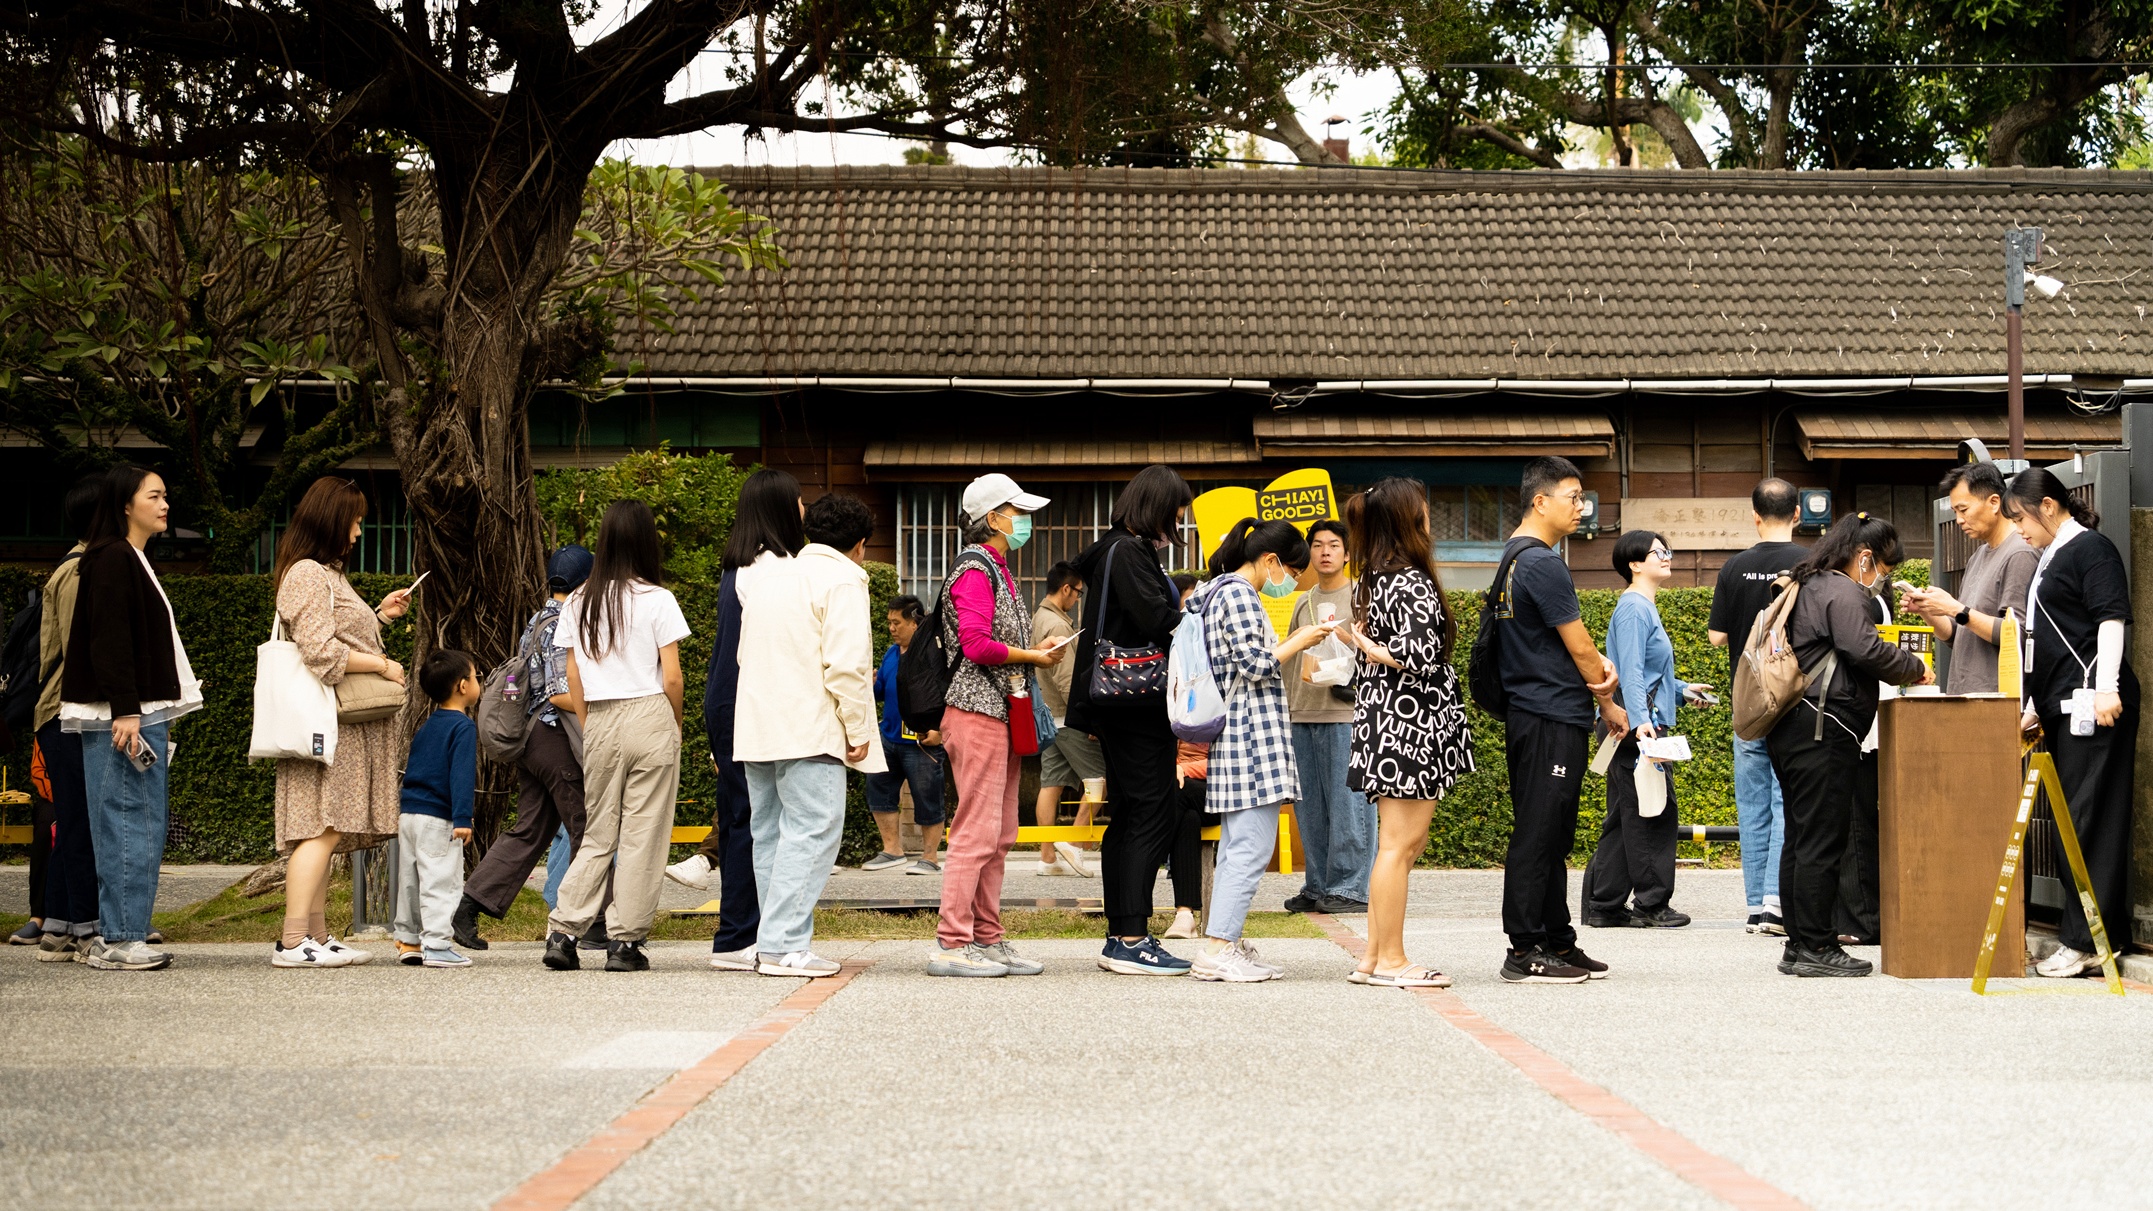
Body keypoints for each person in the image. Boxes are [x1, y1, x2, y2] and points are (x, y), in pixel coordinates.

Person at [1767, 512, 1930, 978]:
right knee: (1821, 840)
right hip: (1824, 729)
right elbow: (1865, 649)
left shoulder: (1808, 583)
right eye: (1883, 568)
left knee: (1800, 839)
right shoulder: (1842, 591)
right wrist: (1914, 668)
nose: (1883, 579)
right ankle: (1817, 946)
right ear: (1864, 559)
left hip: (1793, 726)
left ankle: (1799, 945)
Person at [58, 465, 203, 971]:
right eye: (155, 496)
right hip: (123, 715)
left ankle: (121, 934)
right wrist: (126, 708)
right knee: (127, 822)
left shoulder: (129, 556)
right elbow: (109, 637)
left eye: (166, 495)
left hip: (134, 713)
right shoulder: (114, 557)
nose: (165, 505)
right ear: (125, 504)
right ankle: (117, 937)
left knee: (136, 822)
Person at [733, 491, 884, 977]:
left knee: (770, 835)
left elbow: (743, 655)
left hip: (757, 724)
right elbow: (847, 665)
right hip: (810, 726)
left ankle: (772, 940)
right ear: (860, 544)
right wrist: (859, 728)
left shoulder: (770, 576)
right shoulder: (842, 578)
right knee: (813, 831)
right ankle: (785, 945)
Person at [1490, 457, 1624, 985]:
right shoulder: (1542, 562)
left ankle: (1557, 939)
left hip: (1532, 712)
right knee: (1540, 833)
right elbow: (1580, 644)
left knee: (1551, 832)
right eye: (1573, 496)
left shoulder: (1512, 558)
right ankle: (1524, 949)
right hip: (1549, 714)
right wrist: (1609, 698)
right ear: (1540, 501)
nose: (1582, 506)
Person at [268, 477, 411, 969]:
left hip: (339, 725)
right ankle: (292, 942)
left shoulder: (323, 573)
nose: (357, 532)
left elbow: (335, 635)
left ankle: (316, 935)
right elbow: (321, 652)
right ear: (330, 519)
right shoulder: (308, 573)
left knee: (324, 831)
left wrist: (379, 617)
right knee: (320, 830)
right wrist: (383, 666)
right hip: (328, 726)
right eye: (353, 521)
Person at [1339, 479, 1475, 987]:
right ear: (1407, 517)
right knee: (1401, 845)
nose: (1428, 516)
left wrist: (1375, 651)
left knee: (1394, 846)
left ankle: (1374, 957)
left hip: (1386, 718)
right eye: (1423, 508)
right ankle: (1391, 960)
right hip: (1410, 722)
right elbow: (1419, 653)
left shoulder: (1373, 576)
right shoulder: (1410, 579)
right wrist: (1381, 652)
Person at [926, 475, 1064, 978]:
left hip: (998, 712)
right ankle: (952, 942)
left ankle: (985, 936)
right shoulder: (975, 569)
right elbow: (977, 644)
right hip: (977, 710)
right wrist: (1036, 656)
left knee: (1001, 832)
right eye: (1015, 511)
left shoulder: (995, 567)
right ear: (993, 518)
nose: (1023, 520)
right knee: (976, 831)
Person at [545, 500, 690, 974]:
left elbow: (573, 678)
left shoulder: (580, 601)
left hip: (601, 719)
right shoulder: (657, 599)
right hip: (650, 714)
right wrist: (675, 724)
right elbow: (672, 677)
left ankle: (564, 933)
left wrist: (592, 726)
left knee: (598, 832)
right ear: (647, 541)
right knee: (643, 835)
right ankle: (624, 945)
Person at [1187, 519, 1333, 983]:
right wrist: (1301, 639)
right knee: (1250, 845)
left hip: (1235, 736)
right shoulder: (1238, 594)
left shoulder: (1215, 591)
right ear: (1271, 561)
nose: (1291, 581)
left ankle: (1224, 939)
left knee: (1237, 845)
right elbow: (1254, 664)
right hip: (1251, 737)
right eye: (1292, 570)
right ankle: (1217, 948)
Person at [668, 468, 801, 971]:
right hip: (749, 699)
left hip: (726, 699)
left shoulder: (740, 565)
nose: (804, 510)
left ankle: (737, 934)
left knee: (741, 818)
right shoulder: (775, 567)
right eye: (798, 501)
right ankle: (742, 937)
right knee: (754, 820)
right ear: (779, 509)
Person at [2007, 469, 2137, 979]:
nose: (2019, 529)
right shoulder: (2053, 554)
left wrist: (2108, 687)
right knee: (2075, 819)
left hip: (2094, 702)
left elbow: (2110, 619)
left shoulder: (2091, 549)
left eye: (2020, 518)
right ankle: (2101, 934)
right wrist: (2039, 702)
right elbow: (2053, 641)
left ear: (2049, 507)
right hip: (2066, 705)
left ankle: (2085, 941)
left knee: (2087, 820)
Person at [1068, 464, 1196, 976]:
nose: (1177, 525)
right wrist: (1201, 615)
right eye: (1175, 514)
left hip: (1117, 703)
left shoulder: (1113, 549)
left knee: (1127, 813)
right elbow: (1156, 621)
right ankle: (1131, 937)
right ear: (1156, 509)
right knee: (1152, 811)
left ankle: (1121, 933)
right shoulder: (1128, 551)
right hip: (1137, 703)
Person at [452, 546, 602, 952]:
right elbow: (559, 693)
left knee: (530, 830)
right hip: (555, 739)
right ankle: (590, 924)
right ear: (586, 582)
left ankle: (468, 907)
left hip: (531, 741)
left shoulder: (537, 620)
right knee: (587, 827)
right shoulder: (567, 622)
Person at [1584, 530, 1710, 930]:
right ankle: (1652, 904)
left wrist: (1684, 691)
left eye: (1668, 550)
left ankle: (1604, 905)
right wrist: (1642, 723)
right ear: (1635, 563)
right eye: (1660, 552)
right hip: (1638, 728)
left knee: (1626, 816)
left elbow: (1644, 674)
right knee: (1654, 813)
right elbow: (1632, 673)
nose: (1667, 557)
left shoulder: (1639, 607)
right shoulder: (1635, 608)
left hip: (1631, 724)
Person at [1707, 478, 1804, 937]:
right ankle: (1775, 903)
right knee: (1787, 798)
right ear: (1799, 514)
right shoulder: (1811, 564)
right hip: (1791, 701)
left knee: (1751, 804)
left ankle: (1753, 905)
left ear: (1755, 515)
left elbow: (1717, 637)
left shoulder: (1734, 567)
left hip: (1746, 703)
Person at [1283, 518, 1374, 915]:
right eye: (1317, 545)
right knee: (1311, 807)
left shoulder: (1362, 598)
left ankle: (1351, 888)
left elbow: (1379, 654)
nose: (1324, 552)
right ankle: (1317, 885)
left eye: (1333, 545)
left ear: (1348, 554)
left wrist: (1346, 638)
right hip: (1303, 711)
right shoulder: (1303, 601)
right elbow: (1290, 658)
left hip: (1346, 712)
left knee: (1349, 803)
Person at [31, 476, 99, 961]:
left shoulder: (83, 565)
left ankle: (57, 925)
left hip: (65, 712)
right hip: (66, 712)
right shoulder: (79, 571)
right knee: (80, 821)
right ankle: (87, 926)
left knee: (73, 818)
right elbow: (81, 653)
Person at [1904, 462, 2039, 695]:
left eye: (1963, 510)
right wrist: (1929, 611)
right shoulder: (1978, 555)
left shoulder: (2020, 553)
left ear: (1994, 502)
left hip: (1998, 699)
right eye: (1955, 512)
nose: (1958, 520)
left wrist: (1957, 609)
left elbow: (2016, 634)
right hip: (1967, 695)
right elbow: (1959, 634)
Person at [394, 649, 480, 968]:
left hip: (410, 814)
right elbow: (460, 775)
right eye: (475, 677)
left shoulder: (427, 725)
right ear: (461, 686)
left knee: (410, 879)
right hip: (438, 817)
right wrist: (462, 817)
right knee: (441, 880)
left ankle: (408, 940)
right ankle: (438, 944)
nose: (476, 683)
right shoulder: (463, 727)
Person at [863, 594, 948, 874]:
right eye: (889, 622)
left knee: (928, 798)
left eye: (897, 622)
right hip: (888, 738)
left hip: (922, 741)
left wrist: (940, 732)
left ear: (915, 622)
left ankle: (930, 858)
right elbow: (880, 692)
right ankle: (892, 850)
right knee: (879, 791)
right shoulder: (891, 653)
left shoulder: (934, 654)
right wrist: (870, 682)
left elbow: (949, 697)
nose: (892, 628)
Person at [1030, 562, 1102, 878]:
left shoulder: (1039, 617)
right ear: (1067, 589)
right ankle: (1073, 842)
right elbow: (1068, 679)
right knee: (1102, 778)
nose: (1078, 599)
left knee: (1051, 783)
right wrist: (1087, 718)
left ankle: (1048, 858)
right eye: (1078, 593)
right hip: (1066, 716)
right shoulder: (1058, 626)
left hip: (1047, 716)